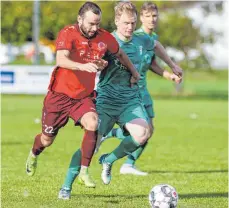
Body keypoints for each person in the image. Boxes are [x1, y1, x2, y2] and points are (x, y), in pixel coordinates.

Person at [25, 1, 140, 194]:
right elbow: (61, 59)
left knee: (93, 123)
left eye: (97, 23)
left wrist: (134, 72)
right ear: (80, 19)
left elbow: (119, 54)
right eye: (90, 24)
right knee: (46, 139)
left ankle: (84, 171)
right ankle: (34, 154)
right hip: (59, 97)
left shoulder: (103, 37)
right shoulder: (68, 33)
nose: (94, 28)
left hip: (82, 98)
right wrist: (83, 66)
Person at [95, 2, 183, 176]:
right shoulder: (132, 36)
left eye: (155, 16)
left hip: (142, 90)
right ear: (140, 18)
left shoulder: (150, 39)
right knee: (145, 130)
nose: (152, 20)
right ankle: (121, 154)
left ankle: (125, 161)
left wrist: (170, 72)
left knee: (147, 131)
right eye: (148, 16)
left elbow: (152, 63)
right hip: (129, 91)